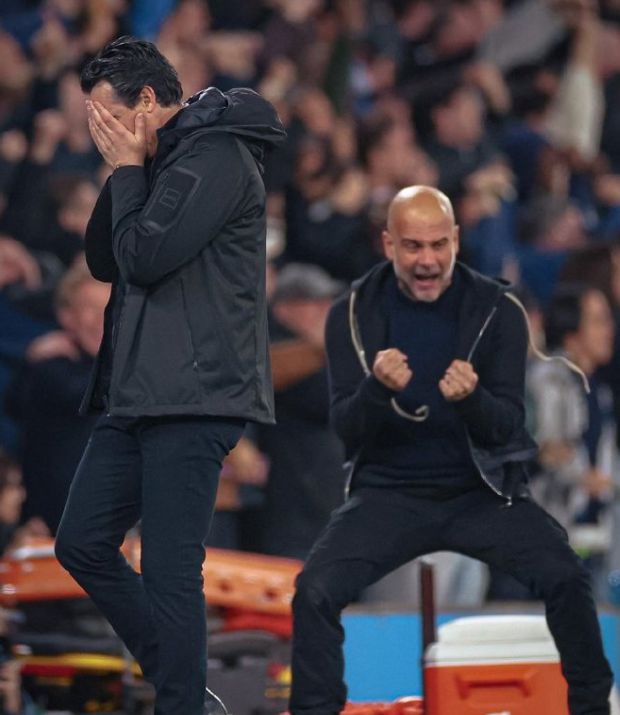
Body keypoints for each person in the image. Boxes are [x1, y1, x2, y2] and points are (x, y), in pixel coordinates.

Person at [288, 185, 613, 715]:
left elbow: (508, 428)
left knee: (567, 576)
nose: (428, 260)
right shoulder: (349, 313)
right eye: (413, 246)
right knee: (314, 592)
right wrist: (377, 390)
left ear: (457, 240)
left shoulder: (499, 309)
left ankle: (593, 709)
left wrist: (472, 400)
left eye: (439, 244)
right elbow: (345, 427)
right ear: (388, 244)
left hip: (481, 494)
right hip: (388, 494)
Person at [53, 36, 285, 715]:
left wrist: (130, 169)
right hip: (137, 391)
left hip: (197, 391)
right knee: (82, 542)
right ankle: (187, 686)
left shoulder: (217, 155)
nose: (99, 131)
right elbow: (105, 259)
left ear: (148, 100)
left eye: (106, 115)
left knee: (170, 565)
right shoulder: (154, 161)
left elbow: (146, 256)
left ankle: (182, 702)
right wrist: (126, 168)